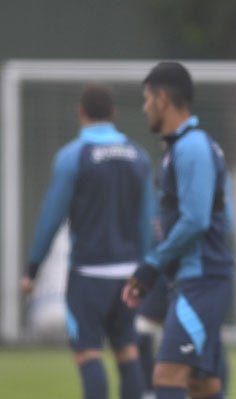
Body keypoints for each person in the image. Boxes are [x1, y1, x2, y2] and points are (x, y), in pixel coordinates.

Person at [21, 84, 153, 399]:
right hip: (129, 274)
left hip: (88, 275)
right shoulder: (138, 156)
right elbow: (148, 221)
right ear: (114, 114)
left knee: (88, 353)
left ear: (81, 113)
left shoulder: (72, 157)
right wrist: (147, 271)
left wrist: (32, 270)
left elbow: (51, 218)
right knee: (127, 351)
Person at [122, 61, 235, 399]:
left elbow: (197, 220)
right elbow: (223, 219)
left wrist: (150, 267)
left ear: (161, 99)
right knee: (202, 385)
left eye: (146, 100)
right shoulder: (183, 147)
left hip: (201, 282)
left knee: (166, 376)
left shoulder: (192, 147)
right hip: (194, 280)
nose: (144, 109)